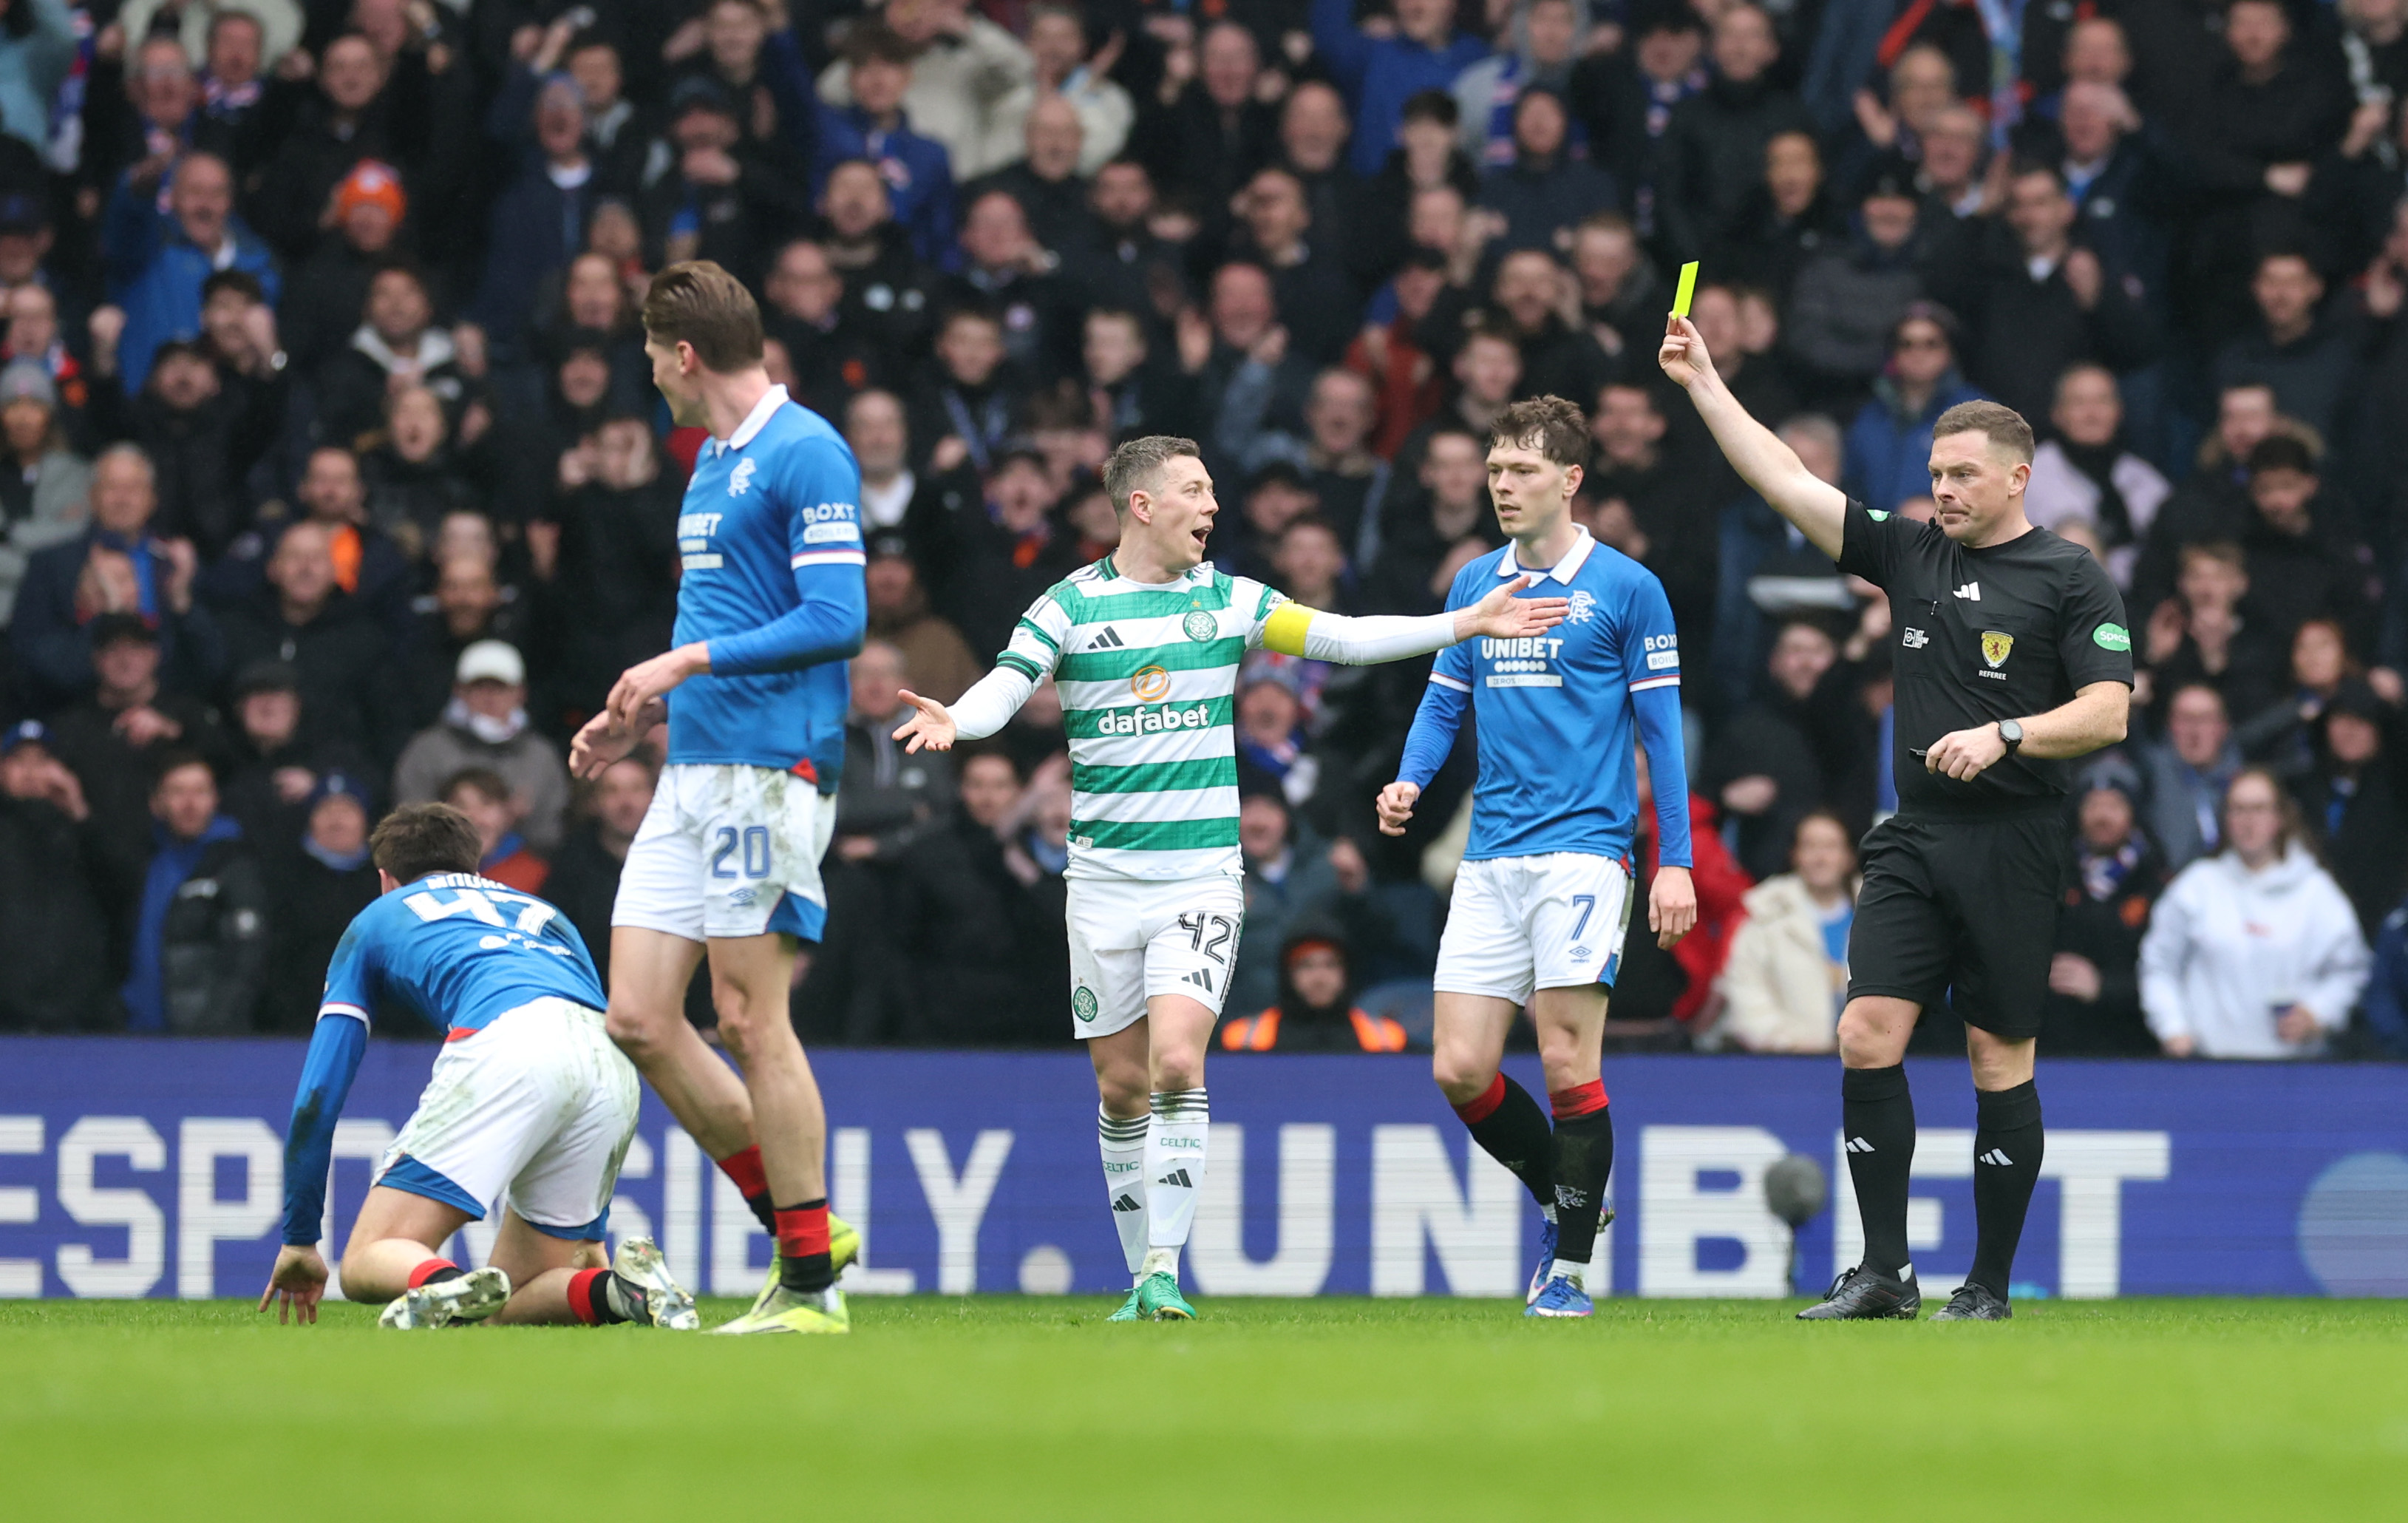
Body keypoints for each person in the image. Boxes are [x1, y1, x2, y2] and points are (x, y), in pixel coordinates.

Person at [889, 433, 1568, 1323]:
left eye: (1212, 490)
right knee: (1121, 1085)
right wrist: (960, 719)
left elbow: (1345, 637)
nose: (1213, 507)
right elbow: (1008, 684)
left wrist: (1461, 623)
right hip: (1099, 886)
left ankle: (1165, 1269)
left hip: (1198, 878)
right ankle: (1142, 1277)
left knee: (1178, 1059)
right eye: (1195, 491)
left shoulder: (1229, 600)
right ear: (1142, 505)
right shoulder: (1069, 606)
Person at [1662, 313, 2133, 1322]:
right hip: (1915, 836)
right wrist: (1704, 381)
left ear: (2017, 477)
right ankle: (1884, 1272)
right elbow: (1784, 481)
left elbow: (2109, 709)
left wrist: (2007, 737)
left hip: (2013, 839)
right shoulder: (1913, 555)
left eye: (1963, 474)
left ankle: (1988, 1286)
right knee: (1865, 1032)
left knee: (1995, 1057)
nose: (1942, 490)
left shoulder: (2069, 574)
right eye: (1934, 472)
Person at [565, 262, 867, 1337]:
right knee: (641, 1018)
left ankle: (812, 1290)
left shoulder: (806, 449)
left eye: (651, 355)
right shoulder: (708, 463)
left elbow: (838, 616)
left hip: (768, 768)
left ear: (683, 354)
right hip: (692, 768)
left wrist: (681, 664)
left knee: (749, 1017)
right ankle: (803, 1223)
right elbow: (738, 609)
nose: (649, 375)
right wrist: (642, 713)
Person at [1375, 395, 1696, 1319]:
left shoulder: (1628, 588)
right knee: (1460, 1068)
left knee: (1564, 1057)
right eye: (1495, 468)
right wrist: (1410, 780)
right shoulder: (1476, 581)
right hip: (1489, 857)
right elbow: (1443, 702)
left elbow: (1661, 734)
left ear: (1570, 479)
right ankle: (1567, 1192)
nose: (1502, 484)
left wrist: (1672, 860)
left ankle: (1569, 1270)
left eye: (1521, 470)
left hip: (1585, 854)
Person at [256, 802, 699, 1333]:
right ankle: (628, 1292)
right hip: (610, 1060)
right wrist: (590, 1232)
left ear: (385, 879)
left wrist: (300, 1238)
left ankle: (442, 1283)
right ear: (476, 869)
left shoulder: (377, 917)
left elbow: (318, 1095)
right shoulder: (545, 913)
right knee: (509, 1305)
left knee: (368, 1259)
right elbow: (589, 1027)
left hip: (510, 1041)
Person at [2139, 768, 2370, 1059]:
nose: (2248, 821)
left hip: (2294, 1072)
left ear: (2280, 817)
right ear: (2226, 818)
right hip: (2206, 1068)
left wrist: (2318, 1013)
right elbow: (2159, 965)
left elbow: (2351, 970)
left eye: (2259, 809)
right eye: (2238, 810)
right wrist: (2173, 1029)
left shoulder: (2316, 892)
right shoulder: (2197, 886)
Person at [122, 750, 269, 1034]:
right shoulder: (141, 862)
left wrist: (213, 1029)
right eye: (177, 792)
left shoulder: (235, 865)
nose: (189, 803)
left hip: (206, 1042)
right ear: (157, 802)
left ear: (215, 800)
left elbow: (246, 961)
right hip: (137, 1035)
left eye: (200, 792)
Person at [1717, 810, 1857, 1053]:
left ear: (1848, 856)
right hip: (1786, 1065)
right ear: (1794, 854)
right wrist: (1794, 1045)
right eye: (1810, 846)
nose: (1820, 857)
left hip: (1870, 1065)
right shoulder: (1763, 913)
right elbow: (1745, 993)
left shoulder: (1880, 912)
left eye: (1831, 846)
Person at [1218, 928, 1410, 1052]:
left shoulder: (1387, 1040)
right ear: (1287, 974)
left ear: (1347, 974)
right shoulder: (1242, 1039)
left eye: (1331, 965)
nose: (1319, 978)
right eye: (1306, 966)